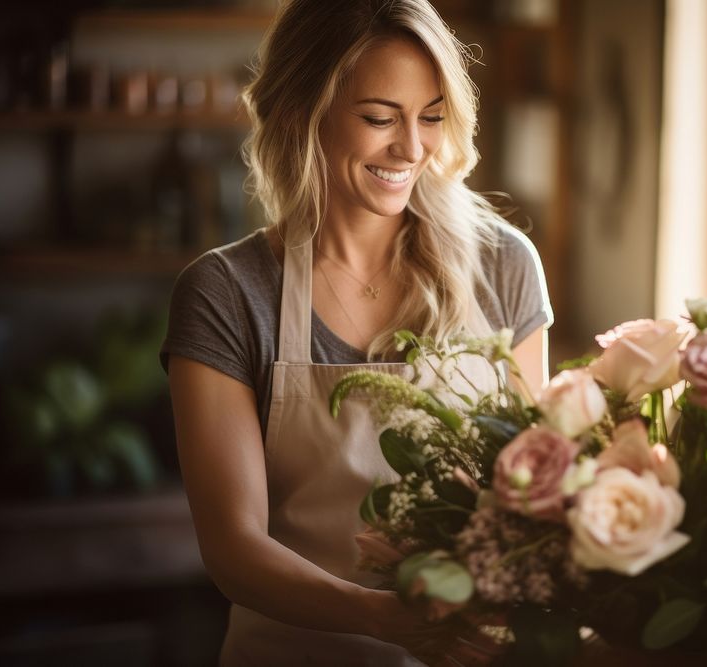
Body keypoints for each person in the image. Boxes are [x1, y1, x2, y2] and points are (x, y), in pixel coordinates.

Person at [161, 0, 553, 664]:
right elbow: (233, 549)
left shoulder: (503, 266)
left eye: (431, 117)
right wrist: (387, 618)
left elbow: (533, 492)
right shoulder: (227, 293)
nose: (411, 148)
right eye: (379, 118)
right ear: (299, 110)